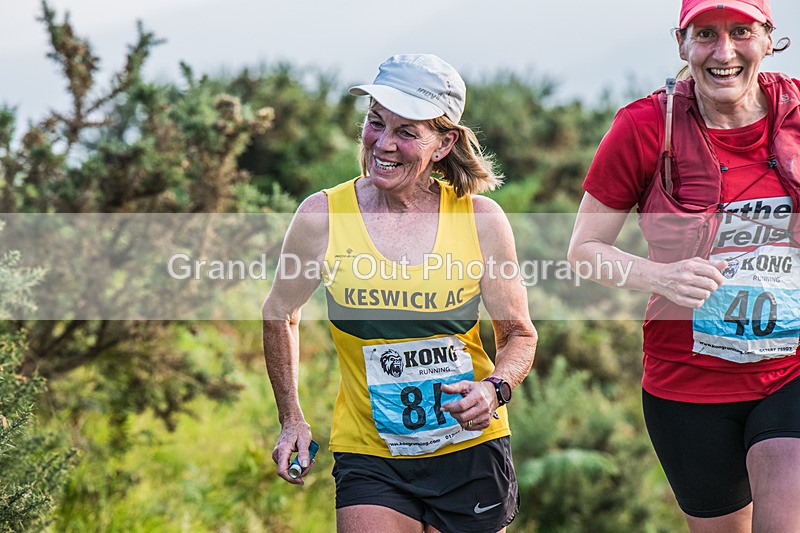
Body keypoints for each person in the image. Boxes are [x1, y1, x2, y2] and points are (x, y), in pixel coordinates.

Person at [262, 54, 537, 533]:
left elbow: (518, 334)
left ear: (444, 142)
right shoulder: (323, 215)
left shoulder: (481, 219)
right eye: (375, 123)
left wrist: (494, 389)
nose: (383, 144)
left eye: (407, 132)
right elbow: (281, 313)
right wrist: (292, 420)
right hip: (370, 453)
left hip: (469, 448)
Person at [568, 0, 800, 531]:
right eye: (705, 34)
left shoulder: (798, 113)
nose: (724, 52)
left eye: (741, 31)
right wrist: (661, 276)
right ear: (681, 44)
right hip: (687, 383)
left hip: (791, 368)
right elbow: (583, 250)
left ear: (768, 38)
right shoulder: (644, 126)